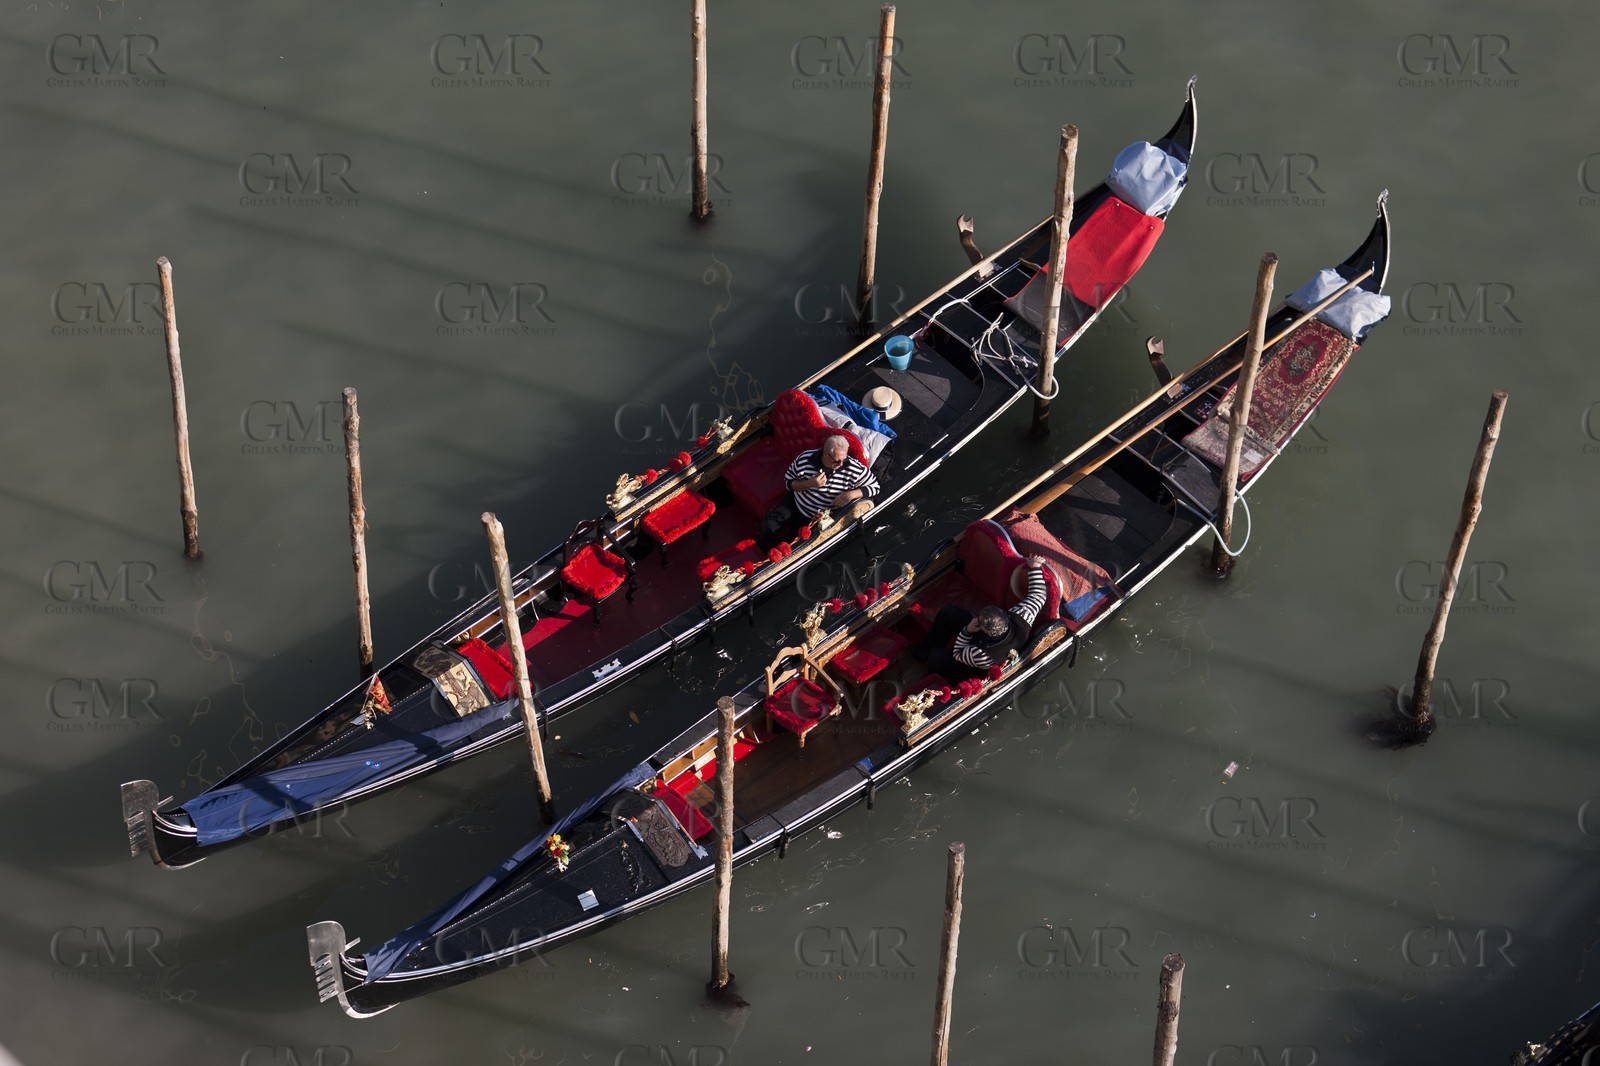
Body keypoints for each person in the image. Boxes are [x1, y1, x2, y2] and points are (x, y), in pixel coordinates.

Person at [912, 556, 1051, 680]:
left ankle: (933, 667)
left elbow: (958, 654)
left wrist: (967, 631)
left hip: (977, 665)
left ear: (983, 629)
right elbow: (1038, 595)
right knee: (948, 612)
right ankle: (928, 645)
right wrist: (1035, 567)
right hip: (985, 638)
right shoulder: (1023, 614)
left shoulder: (981, 655)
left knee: (937, 656)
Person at [757, 434, 880, 550]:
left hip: (816, 518)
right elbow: (788, 482)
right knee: (768, 526)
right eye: (837, 461)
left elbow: (875, 487)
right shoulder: (805, 459)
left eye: (844, 458)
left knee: (791, 544)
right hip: (796, 503)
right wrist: (808, 484)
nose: (841, 464)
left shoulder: (852, 467)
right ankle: (760, 550)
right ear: (825, 454)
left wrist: (851, 495)